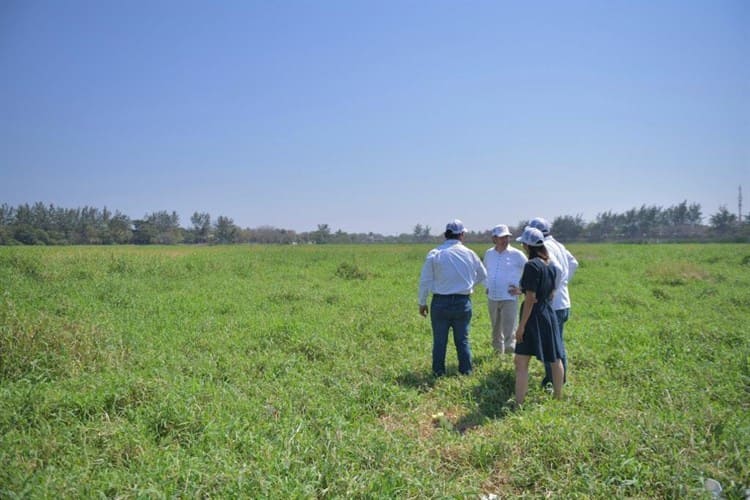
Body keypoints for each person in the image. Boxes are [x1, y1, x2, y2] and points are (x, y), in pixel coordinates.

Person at [418, 219, 487, 376]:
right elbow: (483, 274)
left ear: (445, 235)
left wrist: (422, 302)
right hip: (463, 302)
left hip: (440, 302)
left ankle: (438, 372)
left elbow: (425, 280)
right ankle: (466, 371)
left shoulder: (435, 254)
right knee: (462, 340)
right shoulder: (470, 254)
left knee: (440, 341)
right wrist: (469, 285)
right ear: (462, 235)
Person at [513, 226, 565, 404]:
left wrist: (521, 327)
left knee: (521, 362)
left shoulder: (531, 266)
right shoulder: (550, 265)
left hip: (533, 315)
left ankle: (519, 402)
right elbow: (550, 292)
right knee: (555, 357)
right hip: (548, 313)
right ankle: (558, 396)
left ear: (527, 246)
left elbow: (530, 298)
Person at [528, 217, 579, 387]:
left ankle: (555, 381)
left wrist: (551, 289)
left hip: (553, 304)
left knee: (552, 347)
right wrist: (563, 283)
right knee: (557, 343)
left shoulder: (547, 247)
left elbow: (555, 269)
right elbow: (573, 263)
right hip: (563, 302)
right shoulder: (558, 244)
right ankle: (559, 380)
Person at [483, 224, 527, 355]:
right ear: (494, 239)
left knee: (510, 328)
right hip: (493, 297)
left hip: (509, 297)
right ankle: (498, 353)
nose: (505, 240)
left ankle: (510, 354)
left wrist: (522, 289)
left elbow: (530, 270)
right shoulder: (489, 253)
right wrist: (487, 286)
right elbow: (485, 271)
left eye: (507, 237)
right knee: (495, 328)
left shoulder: (517, 254)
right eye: (502, 237)